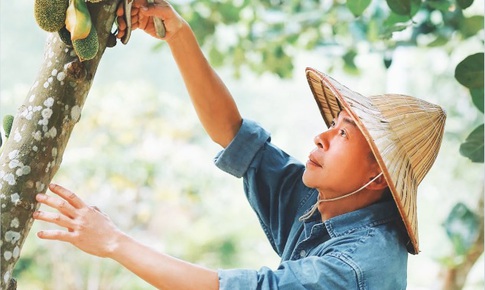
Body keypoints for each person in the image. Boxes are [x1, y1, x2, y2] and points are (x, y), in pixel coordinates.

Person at [33, 1, 447, 289]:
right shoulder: (321, 202)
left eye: (342, 134)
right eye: (332, 124)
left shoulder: (359, 267)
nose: (321, 136)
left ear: (377, 175)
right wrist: (177, 33)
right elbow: (234, 135)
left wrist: (113, 242)